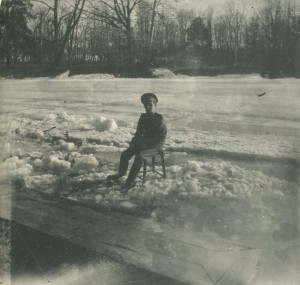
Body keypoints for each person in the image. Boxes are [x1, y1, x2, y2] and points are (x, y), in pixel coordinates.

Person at [107, 93, 167, 191]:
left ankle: (129, 183)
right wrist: (134, 142)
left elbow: (161, 138)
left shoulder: (159, 118)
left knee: (139, 157)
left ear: (154, 105)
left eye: (150, 105)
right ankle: (121, 173)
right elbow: (139, 133)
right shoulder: (143, 117)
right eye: (145, 105)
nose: (147, 107)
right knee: (125, 154)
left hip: (156, 146)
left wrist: (146, 145)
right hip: (144, 144)